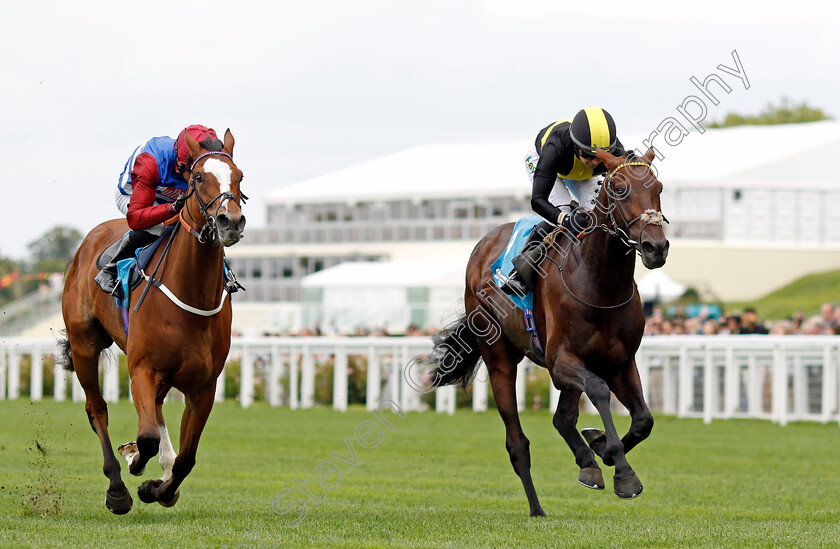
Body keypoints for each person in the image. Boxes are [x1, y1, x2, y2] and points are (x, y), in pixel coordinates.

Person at [501, 107, 626, 296]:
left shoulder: (615, 150)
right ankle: (519, 273)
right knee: (563, 211)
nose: (594, 162)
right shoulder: (555, 146)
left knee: (601, 212)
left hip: (579, 172)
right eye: (588, 155)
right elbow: (538, 201)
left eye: (599, 156)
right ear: (577, 147)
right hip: (545, 161)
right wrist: (565, 220)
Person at [94, 125, 224, 296]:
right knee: (160, 226)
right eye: (192, 174)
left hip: (170, 196)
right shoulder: (151, 161)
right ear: (180, 164)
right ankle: (109, 270)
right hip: (134, 195)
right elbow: (136, 219)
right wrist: (171, 208)